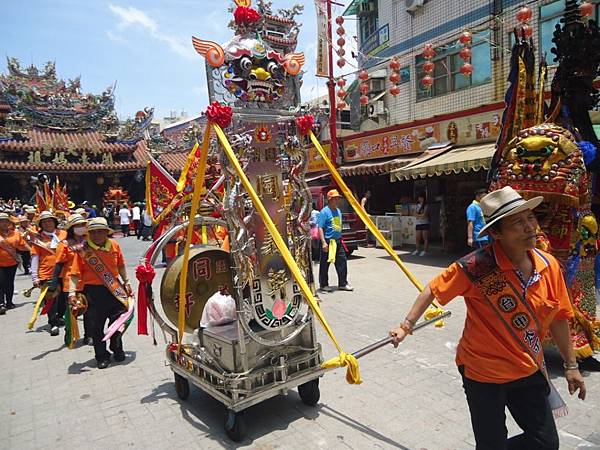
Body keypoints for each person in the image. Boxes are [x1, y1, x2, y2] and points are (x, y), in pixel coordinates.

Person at [389, 187, 586, 450]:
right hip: (482, 374)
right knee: (491, 443)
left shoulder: (548, 265)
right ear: (496, 233)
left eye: (530, 218)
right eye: (518, 222)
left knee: (545, 443)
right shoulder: (475, 267)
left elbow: (560, 317)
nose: (530, 227)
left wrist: (571, 365)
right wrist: (406, 326)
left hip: (528, 369)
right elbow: (432, 290)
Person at [69, 218, 133, 369]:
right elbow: (74, 274)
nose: (97, 234)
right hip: (93, 292)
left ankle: (117, 347)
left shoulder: (115, 245)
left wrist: (127, 281)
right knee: (96, 327)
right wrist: (71, 293)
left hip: (115, 289)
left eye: (100, 231)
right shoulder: (83, 249)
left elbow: (121, 265)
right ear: (89, 234)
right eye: (93, 232)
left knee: (119, 323)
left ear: (106, 232)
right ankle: (101, 356)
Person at [51, 214, 92, 345]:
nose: (80, 228)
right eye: (77, 225)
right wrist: (54, 281)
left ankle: (88, 335)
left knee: (89, 310)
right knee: (72, 310)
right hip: (71, 281)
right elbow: (58, 263)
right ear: (71, 228)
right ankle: (70, 333)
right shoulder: (64, 244)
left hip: (88, 280)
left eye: (82, 225)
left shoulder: (89, 241)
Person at [30, 211, 68, 336]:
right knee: (51, 300)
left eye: (50, 221)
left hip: (64, 272)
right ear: (41, 224)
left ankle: (60, 316)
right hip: (47, 274)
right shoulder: (38, 239)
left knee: (63, 299)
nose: (48, 223)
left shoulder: (63, 234)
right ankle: (53, 323)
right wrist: (35, 277)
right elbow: (35, 258)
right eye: (45, 222)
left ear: (54, 222)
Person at [317, 189, 353, 292]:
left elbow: (337, 225)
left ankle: (343, 283)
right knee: (325, 264)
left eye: (338, 199)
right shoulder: (324, 212)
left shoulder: (338, 211)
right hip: (328, 241)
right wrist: (323, 242)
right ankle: (324, 284)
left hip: (338, 241)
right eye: (335, 199)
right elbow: (320, 227)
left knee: (342, 262)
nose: (337, 201)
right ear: (330, 200)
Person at [0, 213, 29, 314]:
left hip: (12, 262)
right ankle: (1, 303)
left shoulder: (15, 234)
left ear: (9, 223)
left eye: (6, 221)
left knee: (9, 283)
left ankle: (9, 302)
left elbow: (22, 246)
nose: (4, 223)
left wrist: (33, 251)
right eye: (1, 221)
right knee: (1, 282)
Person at [412, 192, 429, 256]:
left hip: (425, 223)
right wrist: (420, 215)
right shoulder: (416, 205)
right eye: (419, 198)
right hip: (418, 223)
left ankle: (425, 250)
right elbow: (414, 214)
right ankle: (417, 250)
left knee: (425, 237)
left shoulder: (426, 205)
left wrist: (418, 215)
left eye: (421, 198)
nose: (420, 199)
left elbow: (424, 215)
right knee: (417, 237)